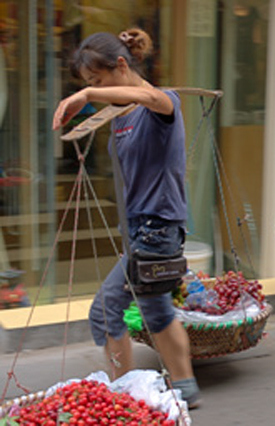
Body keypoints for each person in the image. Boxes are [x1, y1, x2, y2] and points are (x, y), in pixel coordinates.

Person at [52, 28, 201, 407]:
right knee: (156, 311)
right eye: (89, 83)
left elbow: (148, 95)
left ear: (121, 65)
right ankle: (185, 390)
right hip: (138, 230)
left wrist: (87, 95)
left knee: (104, 311)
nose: (93, 88)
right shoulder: (119, 116)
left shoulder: (162, 104)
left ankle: (124, 397)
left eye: (97, 80)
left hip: (157, 229)